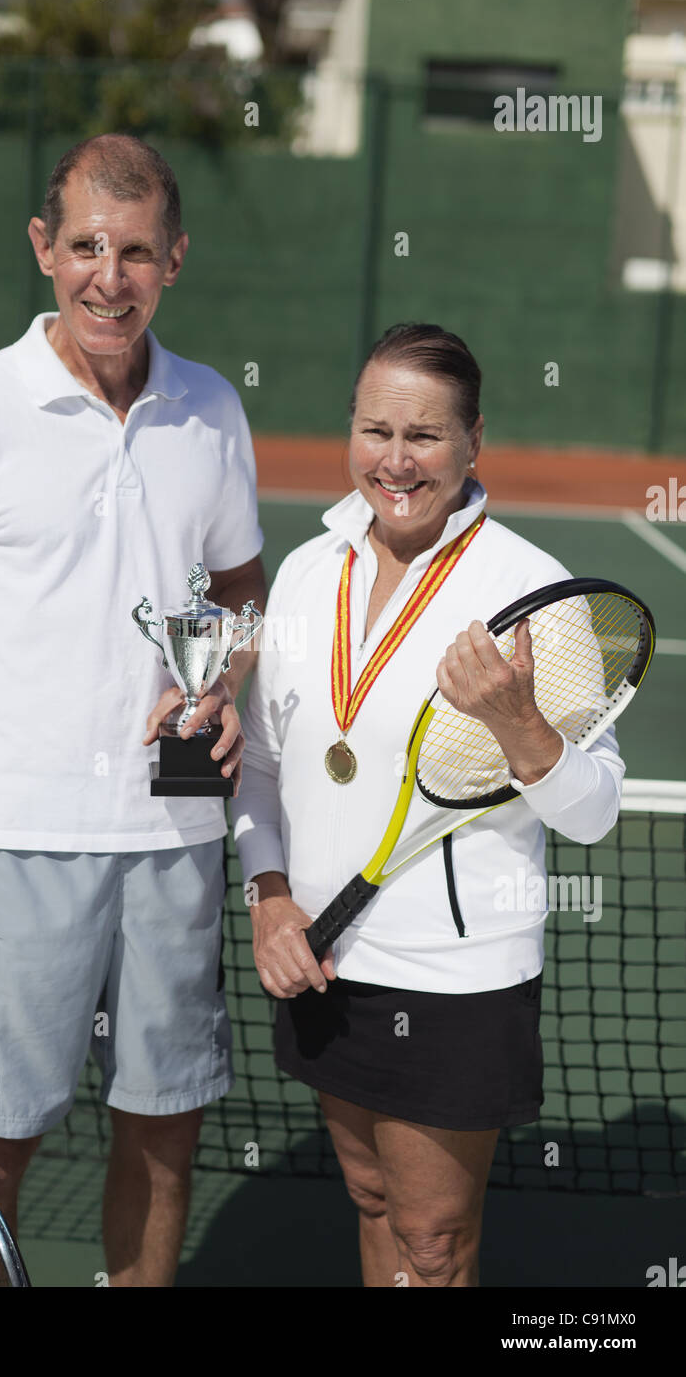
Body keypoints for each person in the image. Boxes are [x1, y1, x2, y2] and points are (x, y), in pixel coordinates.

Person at [0, 134, 266, 1287]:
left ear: (173, 258)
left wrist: (223, 672)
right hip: (11, 847)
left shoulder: (212, 411)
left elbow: (240, 593)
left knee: (164, 1139)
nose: (106, 278)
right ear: (43, 249)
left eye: (133, 251)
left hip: (175, 844)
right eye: (83, 246)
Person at [232, 323, 623, 1288]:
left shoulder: (532, 589)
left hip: (455, 978)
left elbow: (596, 812)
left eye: (425, 436)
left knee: (435, 1244)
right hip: (320, 956)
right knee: (370, 1201)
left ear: (474, 441)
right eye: (375, 431)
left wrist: (522, 725)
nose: (395, 462)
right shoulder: (308, 571)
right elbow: (270, 766)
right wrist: (269, 895)